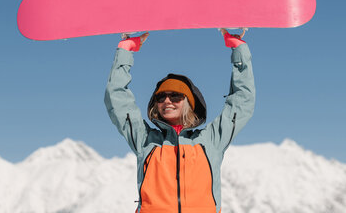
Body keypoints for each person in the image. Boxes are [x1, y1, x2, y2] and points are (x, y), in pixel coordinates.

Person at [104, 29, 255, 213]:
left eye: (175, 96)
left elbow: (241, 103)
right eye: (161, 97)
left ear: (189, 103)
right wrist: (125, 51)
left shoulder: (210, 141)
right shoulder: (146, 141)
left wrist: (239, 50)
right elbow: (117, 101)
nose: (167, 101)